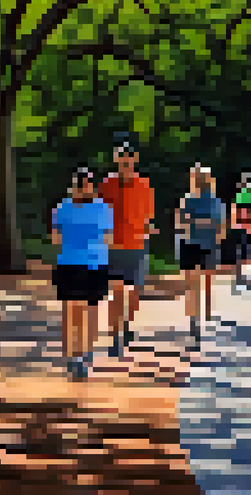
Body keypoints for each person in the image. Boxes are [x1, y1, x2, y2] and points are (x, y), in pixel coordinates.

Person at [52, 167, 111, 381]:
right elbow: (107, 239)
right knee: (74, 310)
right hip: (72, 264)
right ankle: (75, 357)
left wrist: (75, 240)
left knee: (86, 310)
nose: (83, 187)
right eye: (81, 184)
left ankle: (82, 356)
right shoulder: (64, 208)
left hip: (90, 264)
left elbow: (57, 239)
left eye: (84, 183)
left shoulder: (100, 208)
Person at [98, 140, 155, 358]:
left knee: (134, 293)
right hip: (113, 247)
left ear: (135, 161)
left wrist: (149, 229)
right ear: (117, 160)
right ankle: (115, 338)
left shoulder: (144, 186)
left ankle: (127, 325)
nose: (126, 162)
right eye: (122, 158)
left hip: (137, 245)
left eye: (129, 158)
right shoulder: (106, 185)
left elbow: (148, 216)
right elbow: (99, 214)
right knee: (117, 291)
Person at [175, 164, 224, 344]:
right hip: (193, 244)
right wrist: (204, 223)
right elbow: (181, 222)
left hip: (204, 244)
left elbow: (218, 225)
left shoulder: (211, 200)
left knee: (201, 282)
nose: (198, 181)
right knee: (194, 284)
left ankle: (201, 314)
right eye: (197, 177)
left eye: (200, 178)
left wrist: (193, 221)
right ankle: (195, 320)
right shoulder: (189, 199)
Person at [230, 171, 251, 292]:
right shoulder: (249, 195)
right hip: (246, 227)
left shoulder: (238, 195)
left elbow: (234, 210)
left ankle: (238, 277)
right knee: (242, 253)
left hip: (237, 226)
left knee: (238, 253)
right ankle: (239, 278)